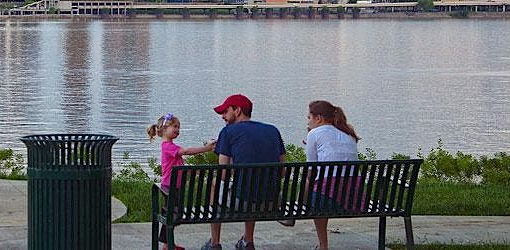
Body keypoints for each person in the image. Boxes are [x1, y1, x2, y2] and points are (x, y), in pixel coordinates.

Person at [204, 94, 286, 250]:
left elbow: (224, 175)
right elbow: (282, 171)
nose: (223, 116)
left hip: (243, 203)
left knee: (217, 183)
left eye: (225, 112)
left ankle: (214, 243)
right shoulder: (273, 130)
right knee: (253, 183)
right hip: (271, 201)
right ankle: (248, 240)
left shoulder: (228, 132)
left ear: (237, 110)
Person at [147, 112, 217, 250]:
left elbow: (178, 164)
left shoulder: (172, 146)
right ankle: (167, 244)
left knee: (173, 214)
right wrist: (206, 148)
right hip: (169, 187)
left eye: (178, 127)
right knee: (173, 214)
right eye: (174, 126)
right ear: (164, 129)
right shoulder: (167, 146)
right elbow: (186, 151)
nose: (178, 130)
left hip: (175, 186)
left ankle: (168, 243)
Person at [304, 100, 360, 250]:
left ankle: (323, 245)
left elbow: (311, 169)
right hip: (353, 196)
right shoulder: (349, 133)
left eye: (309, 118)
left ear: (318, 118)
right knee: (322, 185)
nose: (308, 122)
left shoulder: (314, 134)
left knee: (313, 184)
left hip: (326, 199)